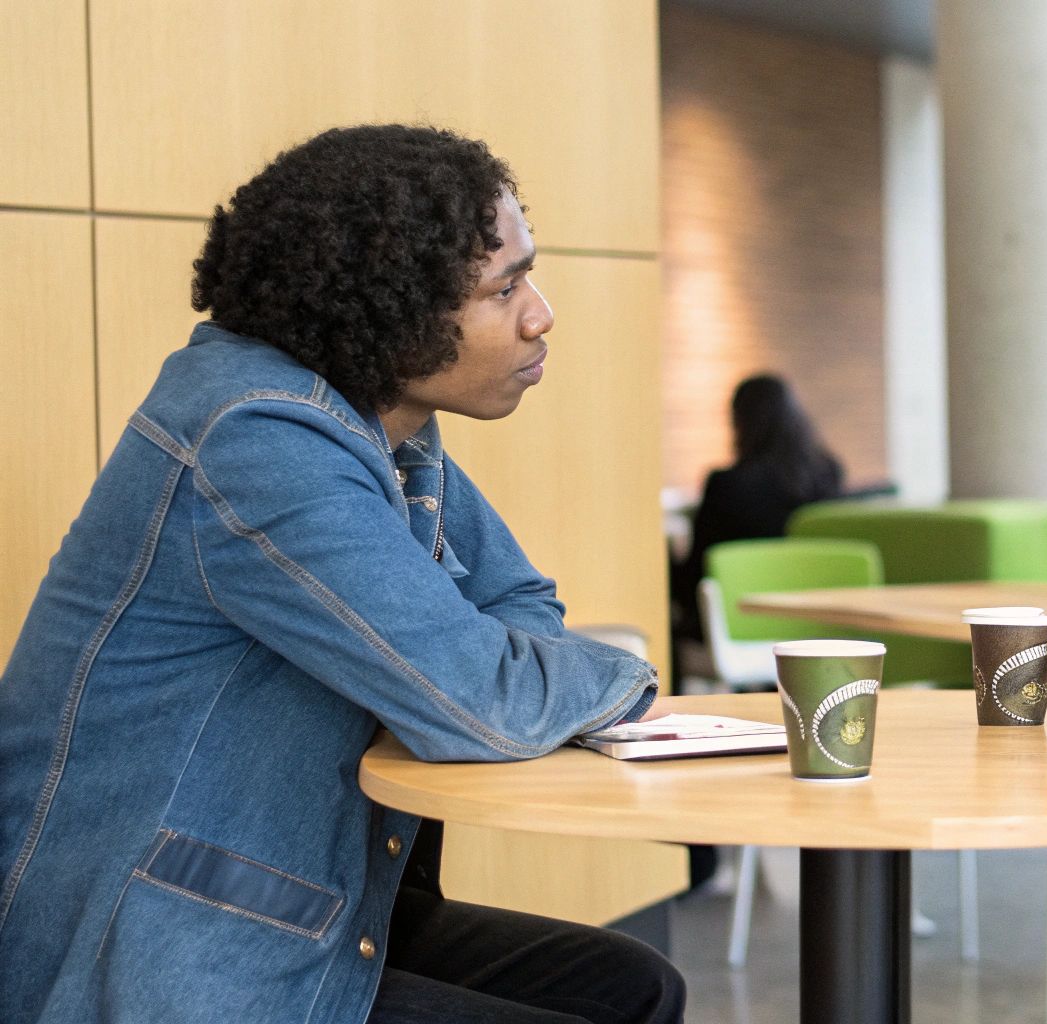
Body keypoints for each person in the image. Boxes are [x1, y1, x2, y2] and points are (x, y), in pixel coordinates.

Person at [0, 126, 684, 1024]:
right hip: (164, 946)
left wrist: (512, 669)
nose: (540, 313)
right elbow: (481, 698)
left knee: (631, 988)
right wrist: (623, 677)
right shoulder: (256, 437)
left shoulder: (385, 430)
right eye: (504, 287)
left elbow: (519, 606)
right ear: (392, 310)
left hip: (296, 902)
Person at [669, 374, 844, 645]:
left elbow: (697, 573)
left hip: (740, 617)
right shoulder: (828, 474)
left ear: (740, 423)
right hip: (814, 621)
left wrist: (664, 557)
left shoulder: (728, 485)